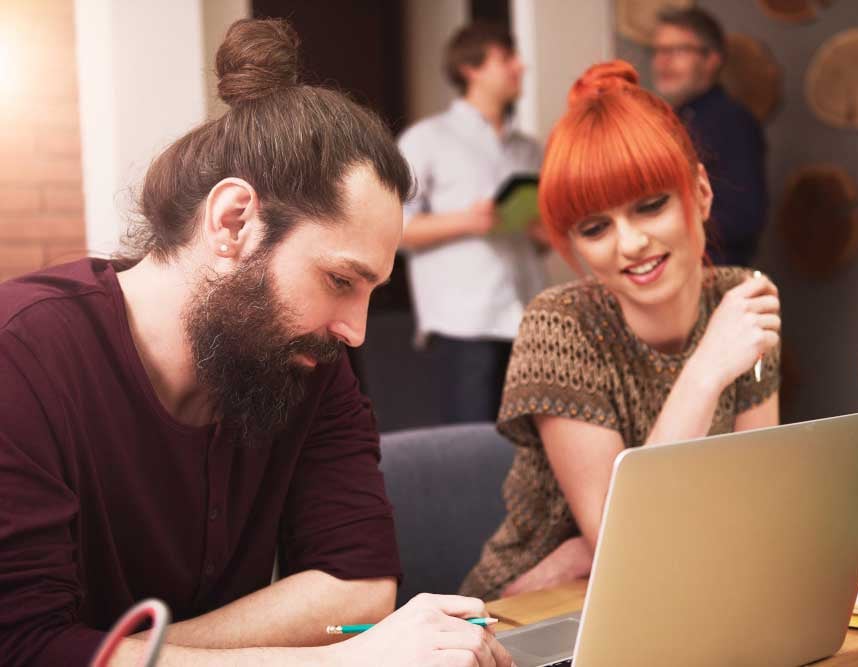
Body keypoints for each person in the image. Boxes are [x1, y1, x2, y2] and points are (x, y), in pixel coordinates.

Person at [0, 19, 510, 667]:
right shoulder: (21, 355)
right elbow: (22, 650)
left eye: (370, 291)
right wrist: (337, 661)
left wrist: (122, 654)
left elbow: (359, 585)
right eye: (339, 280)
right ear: (233, 221)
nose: (355, 329)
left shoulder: (304, 360)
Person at [460, 61, 782, 601]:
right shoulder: (560, 325)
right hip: (536, 605)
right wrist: (704, 372)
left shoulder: (741, 298)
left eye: (650, 205)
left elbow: (759, 504)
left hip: (685, 583)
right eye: (595, 227)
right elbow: (624, 542)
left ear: (700, 192)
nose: (629, 243)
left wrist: (592, 546)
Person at [397, 21, 547, 424]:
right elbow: (393, 230)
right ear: (470, 68)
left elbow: (543, 241)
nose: (520, 66)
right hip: (464, 324)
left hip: (528, 319)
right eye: (506, 58)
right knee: (472, 449)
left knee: (529, 445)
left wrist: (538, 229)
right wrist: (468, 221)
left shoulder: (529, 149)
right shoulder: (425, 140)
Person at [651, 7, 768, 267]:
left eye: (677, 51)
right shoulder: (673, 119)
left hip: (712, 281)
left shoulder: (731, 122)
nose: (662, 62)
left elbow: (744, 218)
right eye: (658, 51)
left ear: (712, 59)